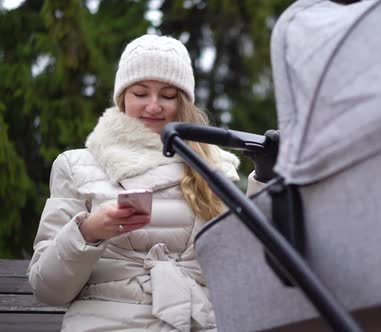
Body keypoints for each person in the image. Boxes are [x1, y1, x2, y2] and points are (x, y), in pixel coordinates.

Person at [27, 34, 273, 332]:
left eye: (168, 95)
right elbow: (48, 289)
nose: (153, 107)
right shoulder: (77, 165)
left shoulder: (213, 167)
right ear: (122, 99)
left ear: (183, 102)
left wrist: (264, 178)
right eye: (141, 93)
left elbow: (247, 267)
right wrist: (88, 231)